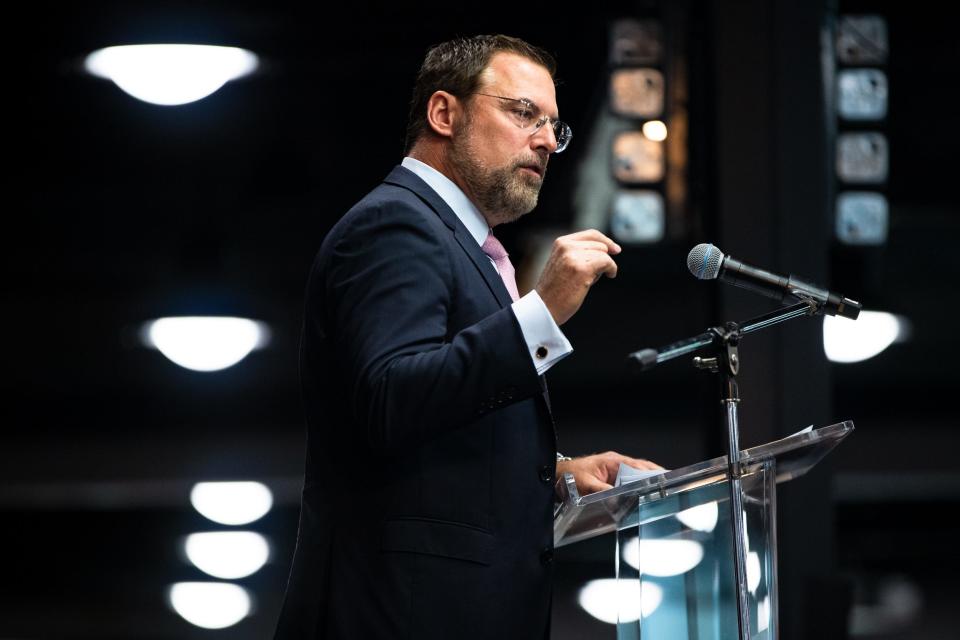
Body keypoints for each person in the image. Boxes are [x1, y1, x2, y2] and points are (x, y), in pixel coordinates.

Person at [274, 34, 660, 640]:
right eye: (522, 112)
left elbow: (440, 435)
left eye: (554, 127)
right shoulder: (396, 223)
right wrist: (542, 313)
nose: (543, 140)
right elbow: (390, 399)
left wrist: (556, 473)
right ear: (444, 113)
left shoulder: (465, 244)